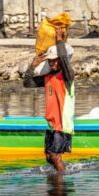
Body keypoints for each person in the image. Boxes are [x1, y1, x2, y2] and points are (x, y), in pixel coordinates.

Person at [23, 28, 75, 172]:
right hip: (52, 124)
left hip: (62, 124)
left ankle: (61, 183)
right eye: (50, 61)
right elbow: (27, 83)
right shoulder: (47, 77)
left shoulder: (67, 76)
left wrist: (59, 39)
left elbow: (64, 59)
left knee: (55, 156)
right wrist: (33, 65)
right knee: (48, 156)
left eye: (54, 60)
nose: (52, 63)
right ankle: (59, 178)